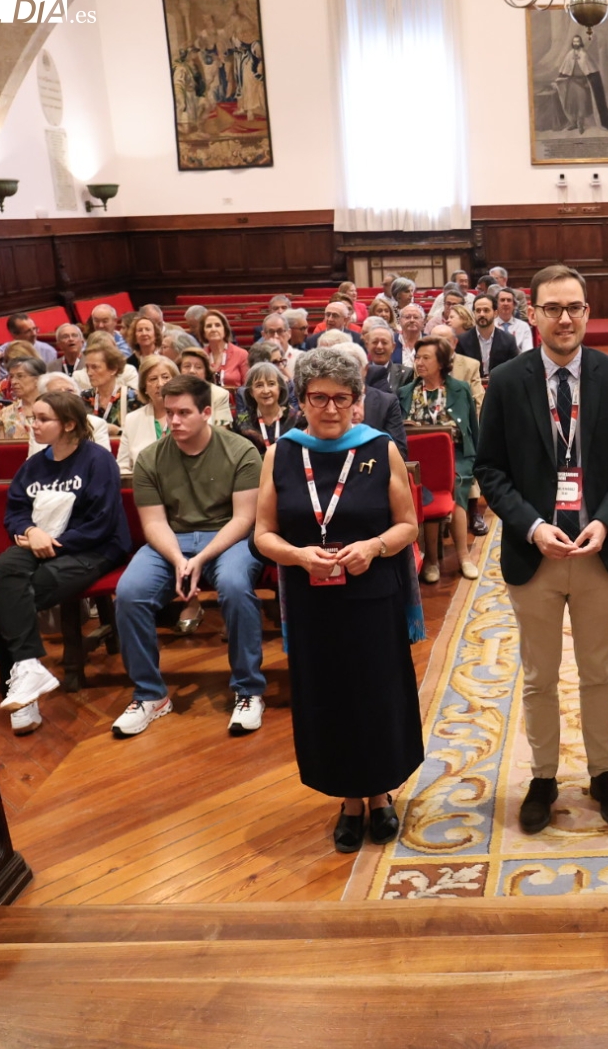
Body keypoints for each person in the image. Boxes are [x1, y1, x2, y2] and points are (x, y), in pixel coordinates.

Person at [474, 264, 608, 834]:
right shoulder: (507, 381)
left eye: (574, 307)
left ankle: (602, 773)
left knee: (599, 672)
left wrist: (605, 521)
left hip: (598, 552)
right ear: (533, 315)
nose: (565, 318)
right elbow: (489, 469)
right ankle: (543, 777)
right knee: (539, 676)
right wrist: (531, 527)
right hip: (536, 557)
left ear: (587, 312)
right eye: (552, 308)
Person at [252, 348, 424, 853]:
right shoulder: (281, 453)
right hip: (313, 603)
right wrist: (297, 556)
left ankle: (380, 793)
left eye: (341, 398)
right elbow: (263, 534)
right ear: (301, 400)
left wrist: (374, 547)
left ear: (356, 401)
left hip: (373, 598)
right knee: (329, 700)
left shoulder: (380, 448)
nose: (330, 408)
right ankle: (349, 800)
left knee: (376, 696)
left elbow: (408, 524)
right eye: (319, 397)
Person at [114, 374, 266, 739]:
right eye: (169, 413)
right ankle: (150, 695)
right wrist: (179, 559)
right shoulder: (151, 457)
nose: (174, 421)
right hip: (172, 539)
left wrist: (200, 559)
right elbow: (153, 523)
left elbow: (244, 519)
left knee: (234, 585)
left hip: (227, 537)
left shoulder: (241, 451)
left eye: (184, 413)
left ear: (207, 413)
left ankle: (248, 689)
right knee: (129, 592)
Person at [0, 391, 130, 736]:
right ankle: (26, 675)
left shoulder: (98, 460)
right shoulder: (34, 465)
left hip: (92, 548)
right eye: (33, 418)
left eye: (42, 419)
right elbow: (15, 511)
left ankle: (22, 687)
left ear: (68, 424)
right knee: (2, 573)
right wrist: (29, 531)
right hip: (39, 541)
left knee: (10, 600)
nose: (33, 425)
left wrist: (51, 543)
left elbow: (102, 523)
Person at [400, 335, 480, 584]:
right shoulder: (406, 392)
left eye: (426, 358)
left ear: (442, 362)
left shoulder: (460, 389)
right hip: (418, 460)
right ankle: (432, 561)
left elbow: (472, 427)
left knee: (455, 487)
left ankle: (464, 557)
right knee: (427, 489)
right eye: (417, 357)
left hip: (456, 455)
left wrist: (477, 458)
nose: (419, 362)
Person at [118, 356, 178, 476]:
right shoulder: (132, 420)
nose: (160, 384)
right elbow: (122, 466)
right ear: (144, 388)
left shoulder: (191, 414)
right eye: (153, 379)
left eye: (165, 377)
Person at [79, 336, 141, 438]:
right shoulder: (83, 398)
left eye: (95, 367)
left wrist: (118, 431)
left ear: (113, 369)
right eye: (87, 367)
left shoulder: (133, 398)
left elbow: (141, 433)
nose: (89, 373)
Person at [39, 373, 113, 455]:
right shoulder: (38, 424)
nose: (66, 395)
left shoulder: (96, 424)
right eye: (57, 392)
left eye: (70, 391)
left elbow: (102, 459)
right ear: (44, 399)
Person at [234, 361, 299, 453]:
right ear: (251, 392)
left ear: (280, 388)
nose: (266, 390)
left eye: (271, 384)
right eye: (259, 385)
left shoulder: (295, 419)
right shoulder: (242, 423)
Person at [462, 295, 520, 382]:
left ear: (495, 313)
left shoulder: (508, 340)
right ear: (474, 313)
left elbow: (514, 370)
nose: (481, 314)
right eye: (478, 311)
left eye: (486, 310)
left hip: (500, 386)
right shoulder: (462, 340)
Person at [176, 347, 236, 427]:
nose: (192, 371)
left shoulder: (219, 394)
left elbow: (221, 430)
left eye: (198, 367)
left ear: (206, 372)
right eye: (187, 366)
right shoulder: (170, 393)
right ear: (179, 370)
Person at [0, 356, 48, 440]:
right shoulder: (5, 413)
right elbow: (2, 446)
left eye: (20, 376)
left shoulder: (54, 409)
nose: (13, 382)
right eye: (11, 376)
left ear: (38, 379)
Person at [199, 310, 248, 391]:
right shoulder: (200, 355)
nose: (213, 329)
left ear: (225, 330)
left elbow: (247, 387)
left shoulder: (241, 354)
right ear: (203, 332)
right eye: (209, 326)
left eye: (217, 325)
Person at [494, 287, 534, 353]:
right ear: (496, 304)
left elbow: (528, 352)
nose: (505, 303)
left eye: (509, 300)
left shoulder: (524, 326)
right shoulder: (491, 326)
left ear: (514, 304)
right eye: (502, 300)